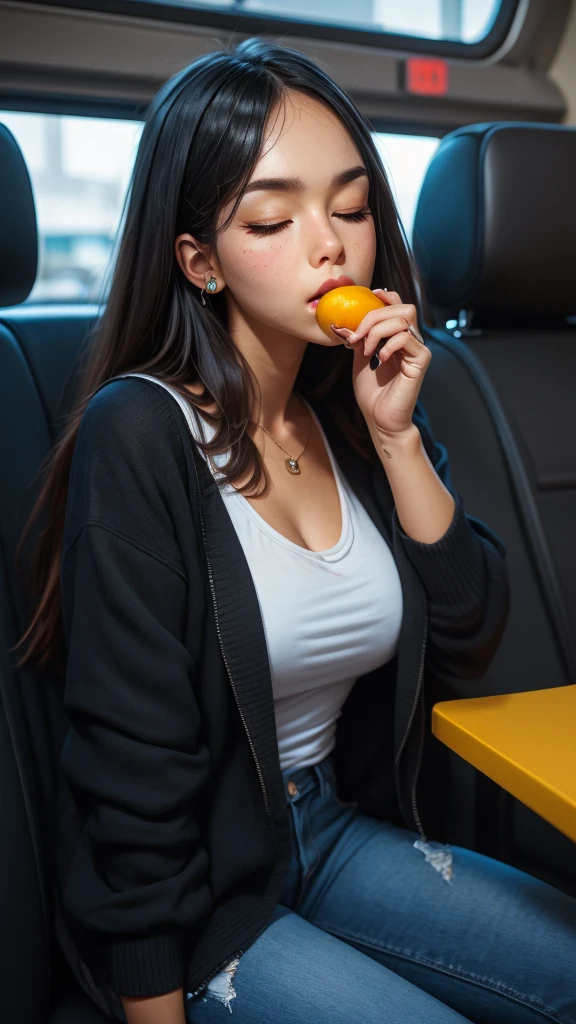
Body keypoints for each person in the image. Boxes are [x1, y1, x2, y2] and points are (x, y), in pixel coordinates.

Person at [14, 36, 576, 1024]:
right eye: (275, 216)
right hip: (198, 895)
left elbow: (470, 625)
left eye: (352, 207)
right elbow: (131, 781)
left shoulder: (352, 403)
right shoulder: (140, 433)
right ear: (200, 261)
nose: (332, 244)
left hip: (335, 830)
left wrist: (397, 437)